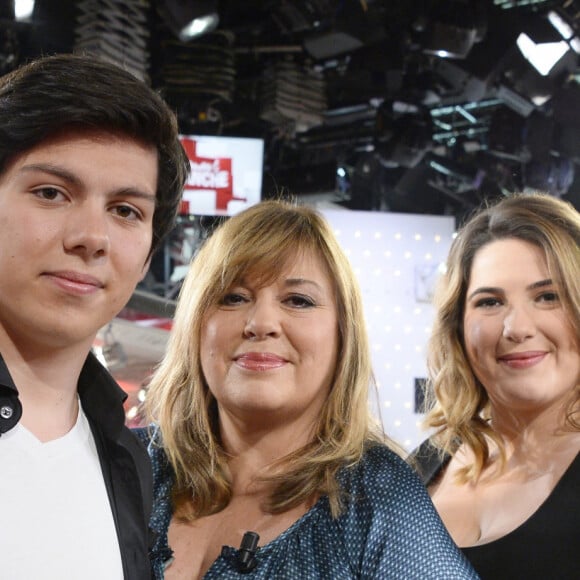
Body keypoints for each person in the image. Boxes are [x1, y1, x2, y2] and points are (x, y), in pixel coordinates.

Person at [136, 199, 478, 579]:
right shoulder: (131, 465)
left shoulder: (378, 498)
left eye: (298, 301)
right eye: (233, 297)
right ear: (195, 325)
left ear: (341, 337)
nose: (260, 322)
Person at [0, 53, 190, 579]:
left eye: (126, 210)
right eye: (51, 193)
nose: (91, 237)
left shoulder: (130, 461)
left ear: (150, 251)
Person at [412, 192, 579, 579]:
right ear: (457, 324)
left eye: (548, 297)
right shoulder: (427, 461)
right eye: (489, 302)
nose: (516, 328)